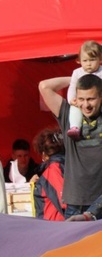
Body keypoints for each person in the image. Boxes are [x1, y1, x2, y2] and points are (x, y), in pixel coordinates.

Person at [38, 73, 102, 218]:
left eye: (91, 99)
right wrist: (75, 80)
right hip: (75, 202)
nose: (86, 105)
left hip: (99, 202)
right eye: (81, 99)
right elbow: (44, 86)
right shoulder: (69, 115)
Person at [66, 41, 102, 141]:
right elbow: (72, 86)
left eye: (92, 60)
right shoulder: (77, 72)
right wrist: (71, 99)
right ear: (79, 61)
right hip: (81, 101)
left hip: (98, 101)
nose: (88, 64)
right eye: (85, 61)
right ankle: (75, 127)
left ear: (100, 59)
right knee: (74, 109)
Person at [31, 128, 66, 221]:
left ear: (44, 154)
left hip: (55, 226)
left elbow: (64, 201)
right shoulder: (66, 165)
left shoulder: (54, 169)